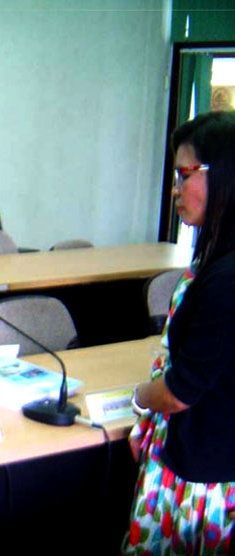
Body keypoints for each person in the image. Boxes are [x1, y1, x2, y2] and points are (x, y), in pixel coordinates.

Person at [122, 111, 235, 555]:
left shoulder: (227, 278)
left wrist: (139, 398)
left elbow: (179, 392)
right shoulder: (216, 256)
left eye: (183, 175)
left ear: (222, 174)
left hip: (205, 477)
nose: (174, 190)